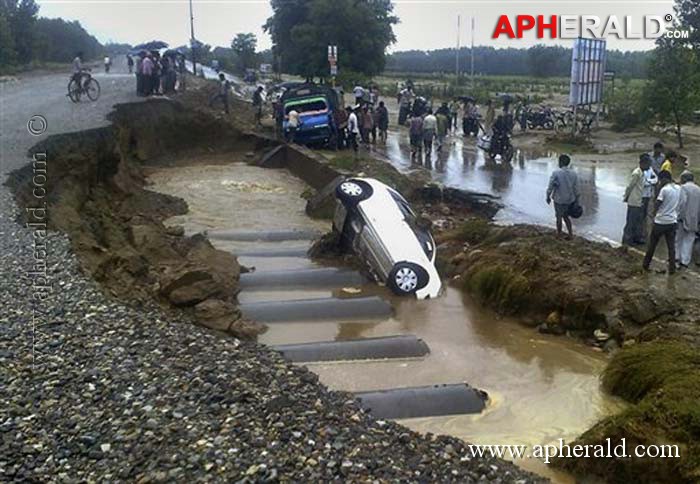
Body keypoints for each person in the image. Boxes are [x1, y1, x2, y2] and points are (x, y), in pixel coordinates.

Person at [643, 170, 680, 274]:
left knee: (652, 245)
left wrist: (653, 215)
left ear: (664, 179)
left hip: (660, 222)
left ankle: (646, 265)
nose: (659, 182)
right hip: (672, 221)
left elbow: (657, 204)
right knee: (671, 247)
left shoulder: (664, 190)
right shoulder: (678, 188)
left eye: (660, 179)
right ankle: (672, 269)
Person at [546, 154, 580, 240]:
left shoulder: (556, 173)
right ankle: (570, 234)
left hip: (559, 199)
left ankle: (559, 234)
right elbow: (576, 189)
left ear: (560, 162)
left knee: (558, 217)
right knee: (566, 217)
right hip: (569, 199)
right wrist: (577, 200)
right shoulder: (574, 174)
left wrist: (548, 196)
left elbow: (550, 186)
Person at [622, 155, 651, 246]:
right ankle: (627, 240)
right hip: (634, 201)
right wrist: (626, 197)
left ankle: (634, 238)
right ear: (643, 163)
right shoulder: (636, 173)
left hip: (638, 200)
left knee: (637, 221)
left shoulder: (642, 173)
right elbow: (630, 186)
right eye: (648, 164)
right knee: (631, 221)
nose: (649, 166)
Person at [675, 171, 700, 268]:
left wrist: (678, 216)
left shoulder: (683, 188)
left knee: (678, 239)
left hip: (683, 218)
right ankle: (685, 261)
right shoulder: (698, 189)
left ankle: (677, 257)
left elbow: (682, 203)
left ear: (684, 179)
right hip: (695, 219)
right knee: (689, 239)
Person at [641, 153, 659, 242]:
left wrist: (650, 181)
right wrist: (651, 182)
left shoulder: (650, 169)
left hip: (648, 195)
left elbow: (655, 179)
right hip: (641, 195)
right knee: (641, 214)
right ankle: (641, 233)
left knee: (645, 214)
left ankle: (643, 233)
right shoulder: (640, 171)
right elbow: (643, 183)